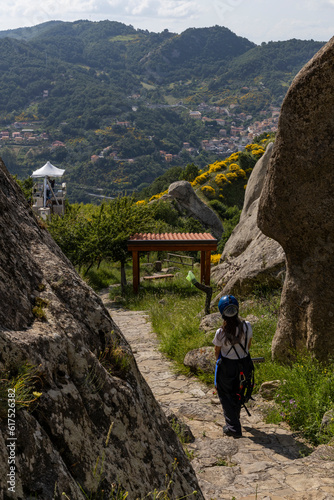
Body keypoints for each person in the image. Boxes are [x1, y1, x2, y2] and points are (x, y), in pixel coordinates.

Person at [213, 295, 253, 438]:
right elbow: (248, 346)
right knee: (238, 392)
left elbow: (217, 351)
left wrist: (217, 368)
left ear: (222, 313)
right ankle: (235, 420)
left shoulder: (221, 332)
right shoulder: (247, 326)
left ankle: (233, 428)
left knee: (225, 394)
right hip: (244, 364)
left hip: (227, 367)